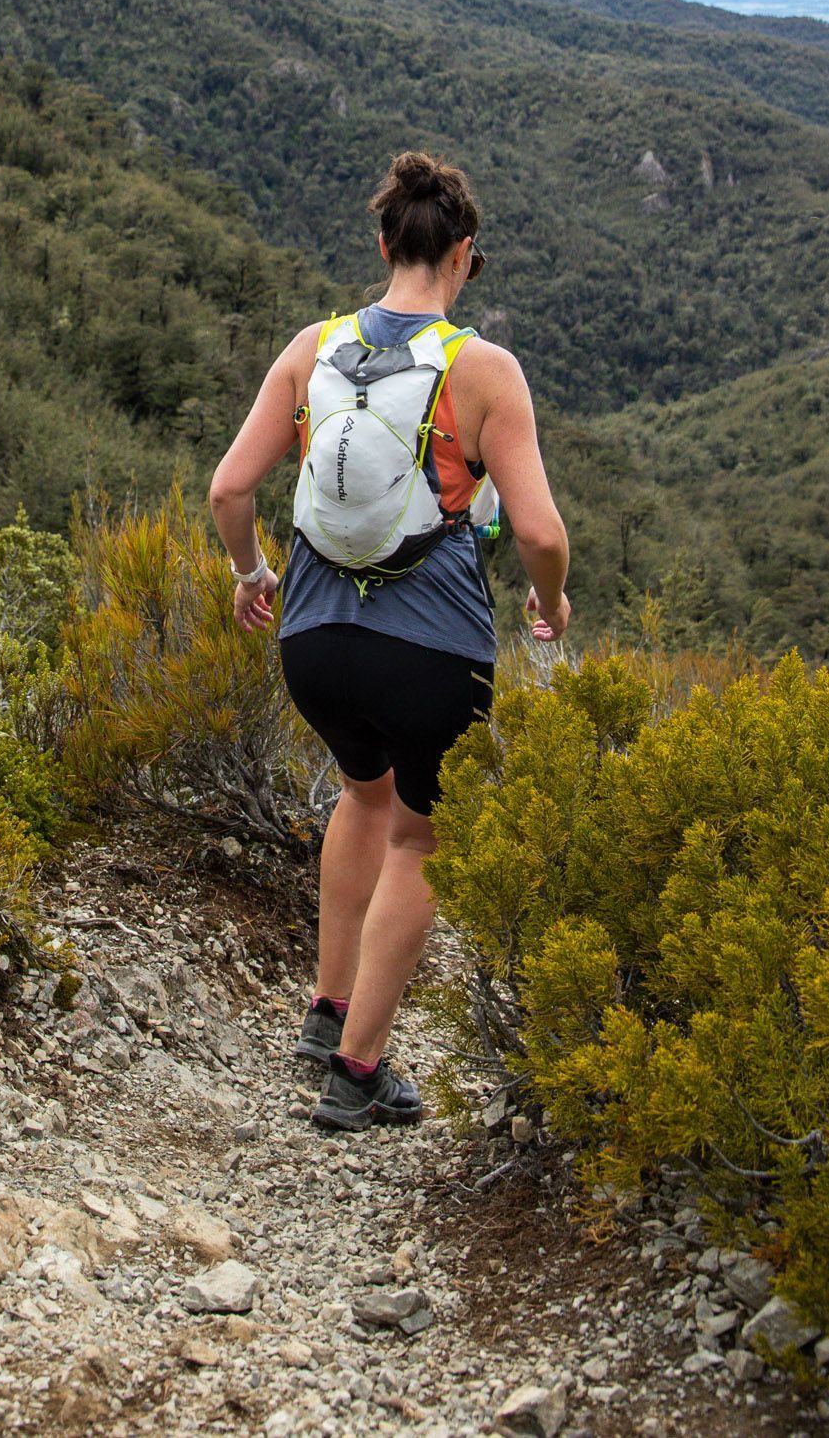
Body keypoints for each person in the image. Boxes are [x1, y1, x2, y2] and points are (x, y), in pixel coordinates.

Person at [208, 149, 571, 1132]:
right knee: (418, 830)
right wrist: (552, 602)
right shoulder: (481, 369)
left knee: (360, 796)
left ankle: (327, 1013)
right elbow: (535, 530)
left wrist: (250, 576)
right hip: (429, 647)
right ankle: (358, 1071)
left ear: (382, 246)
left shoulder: (310, 346)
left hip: (313, 637)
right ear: (462, 255)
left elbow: (228, 489)